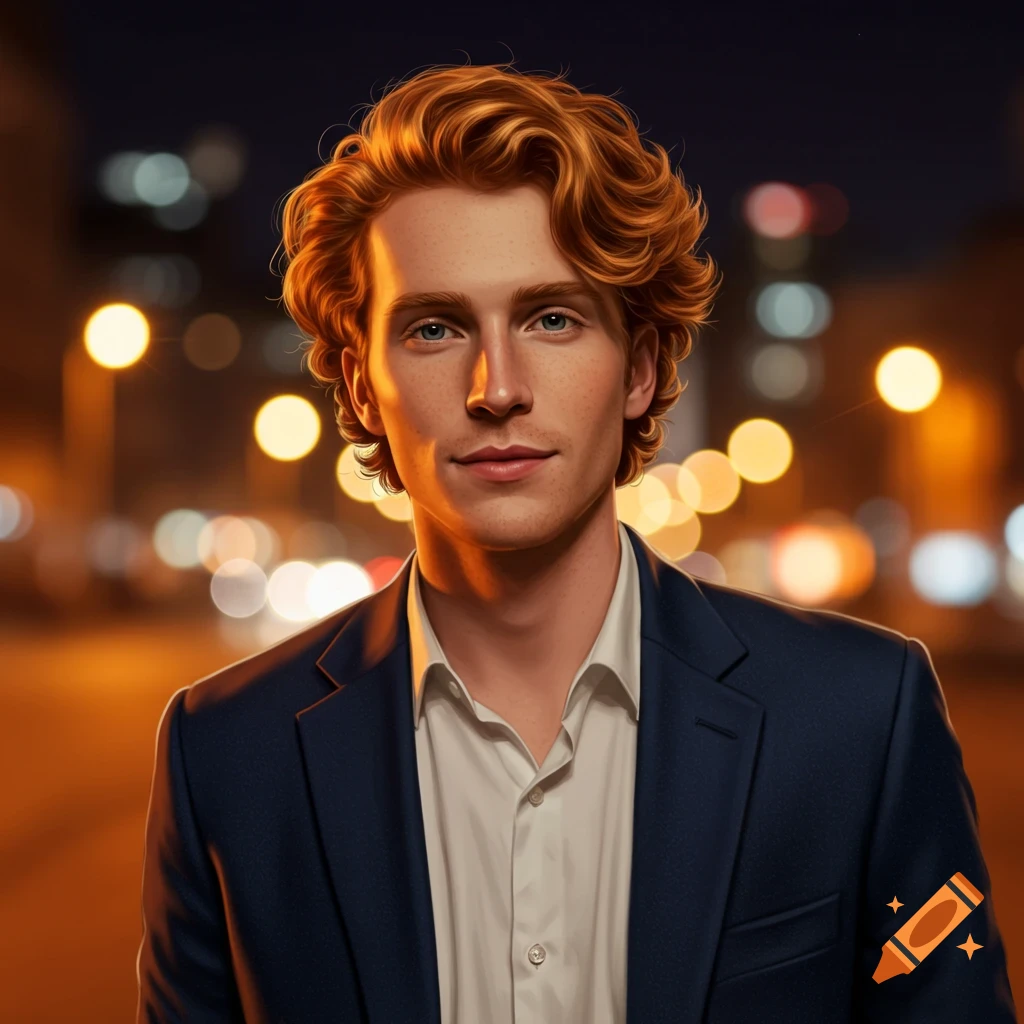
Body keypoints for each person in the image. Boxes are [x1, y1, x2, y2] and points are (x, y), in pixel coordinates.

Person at [135, 63, 1017, 1024]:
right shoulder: (226, 754)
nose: (497, 386)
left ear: (640, 367)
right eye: (434, 328)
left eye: (552, 318)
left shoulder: (859, 719)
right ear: (358, 388)